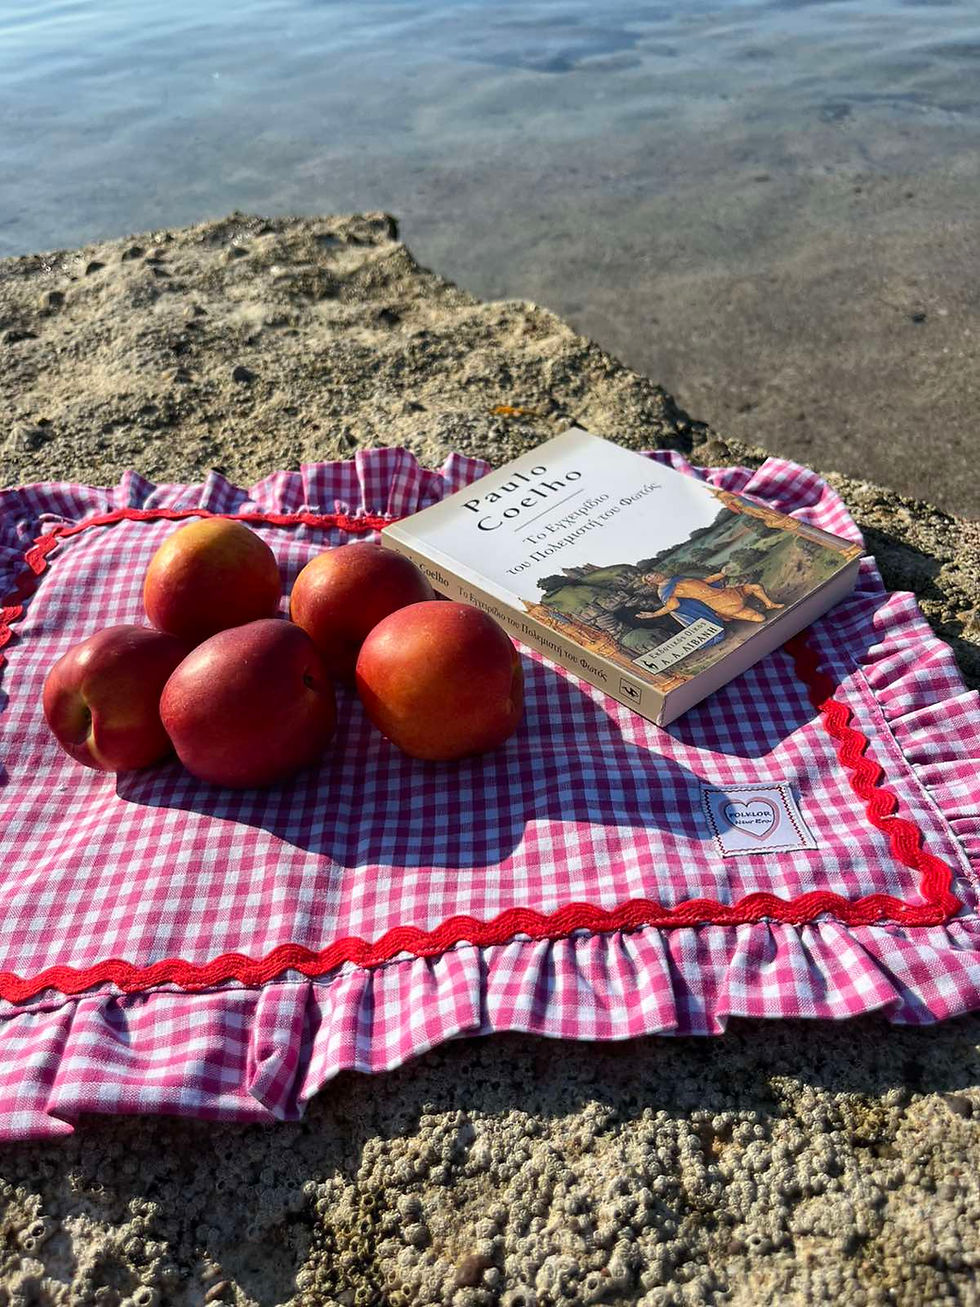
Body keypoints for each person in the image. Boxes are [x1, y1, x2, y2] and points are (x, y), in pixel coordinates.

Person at [634, 569, 784, 627]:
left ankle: (770, 604)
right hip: (722, 604)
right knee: (760, 618)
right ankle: (725, 615)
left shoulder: (678, 578)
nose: (654, 576)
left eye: (652, 573)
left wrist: (722, 574)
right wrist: (653, 614)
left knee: (755, 587)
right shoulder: (665, 591)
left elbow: (704, 582)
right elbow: (672, 606)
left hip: (728, 593)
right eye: (650, 577)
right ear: (651, 582)